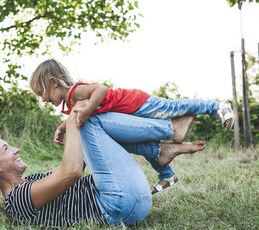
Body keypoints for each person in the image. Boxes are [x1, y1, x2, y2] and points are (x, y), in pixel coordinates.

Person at [0, 101, 205, 227]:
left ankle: (159, 150)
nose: (16, 149)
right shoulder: (17, 199)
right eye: (6, 149)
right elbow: (71, 171)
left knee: (91, 120)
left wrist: (75, 120)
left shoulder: (29, 183)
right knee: (90, 120)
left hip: (125, 199)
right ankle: (168, 131)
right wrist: (74, 115)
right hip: (117, 205)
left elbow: (81, 161)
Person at [29, 58, 234, 194]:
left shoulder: (75, 92)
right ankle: (167, 174)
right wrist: (62, 127)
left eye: (42, 93)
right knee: (144, 143)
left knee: (173, 107)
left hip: (136, 103)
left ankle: (216, 106)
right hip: (130, 113)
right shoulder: (72, 100)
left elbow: (101, 90)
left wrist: (88, 108)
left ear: (54, 81)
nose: (43, 99)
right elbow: (78, 113)